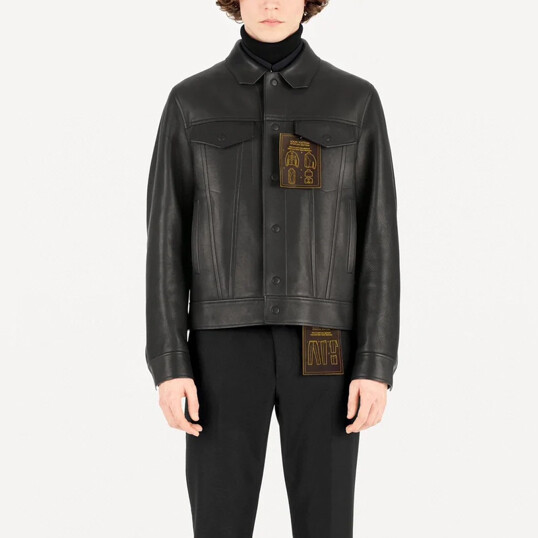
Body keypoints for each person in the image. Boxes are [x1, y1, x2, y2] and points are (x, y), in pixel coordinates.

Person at [145, 1, 400, 536]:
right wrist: (169, 363)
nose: (271, 4)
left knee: (327, 523)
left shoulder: (354, 100)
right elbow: (165, 241)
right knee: (219, 523)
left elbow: (378, 240)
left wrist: (375, 363)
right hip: (222, 346)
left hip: (326, 342)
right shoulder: (191, 101)